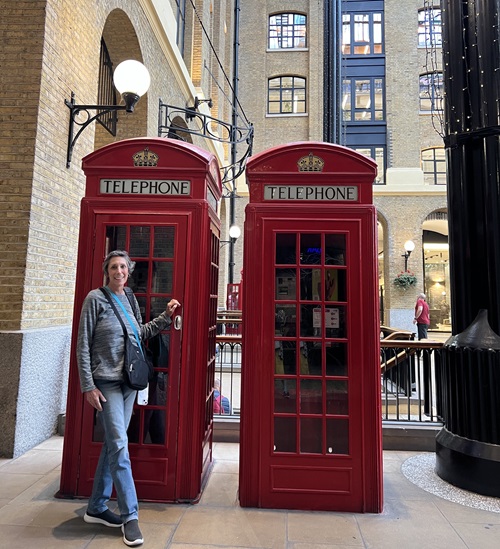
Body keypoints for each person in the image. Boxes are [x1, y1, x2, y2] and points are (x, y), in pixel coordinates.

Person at [77, 250, 179, 547]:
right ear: (106, 271)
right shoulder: (95, 299)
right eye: (113, 267)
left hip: (129, 383)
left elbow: (140, 333)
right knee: (120, 446)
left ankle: (96, 507)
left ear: (129, 271)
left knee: (113, 442)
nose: (119, 271)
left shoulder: (130, 298)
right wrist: (87, 386)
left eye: (123, 266)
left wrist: (166, 316)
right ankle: (130, 515)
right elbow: (82, 344)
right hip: (106, 383)